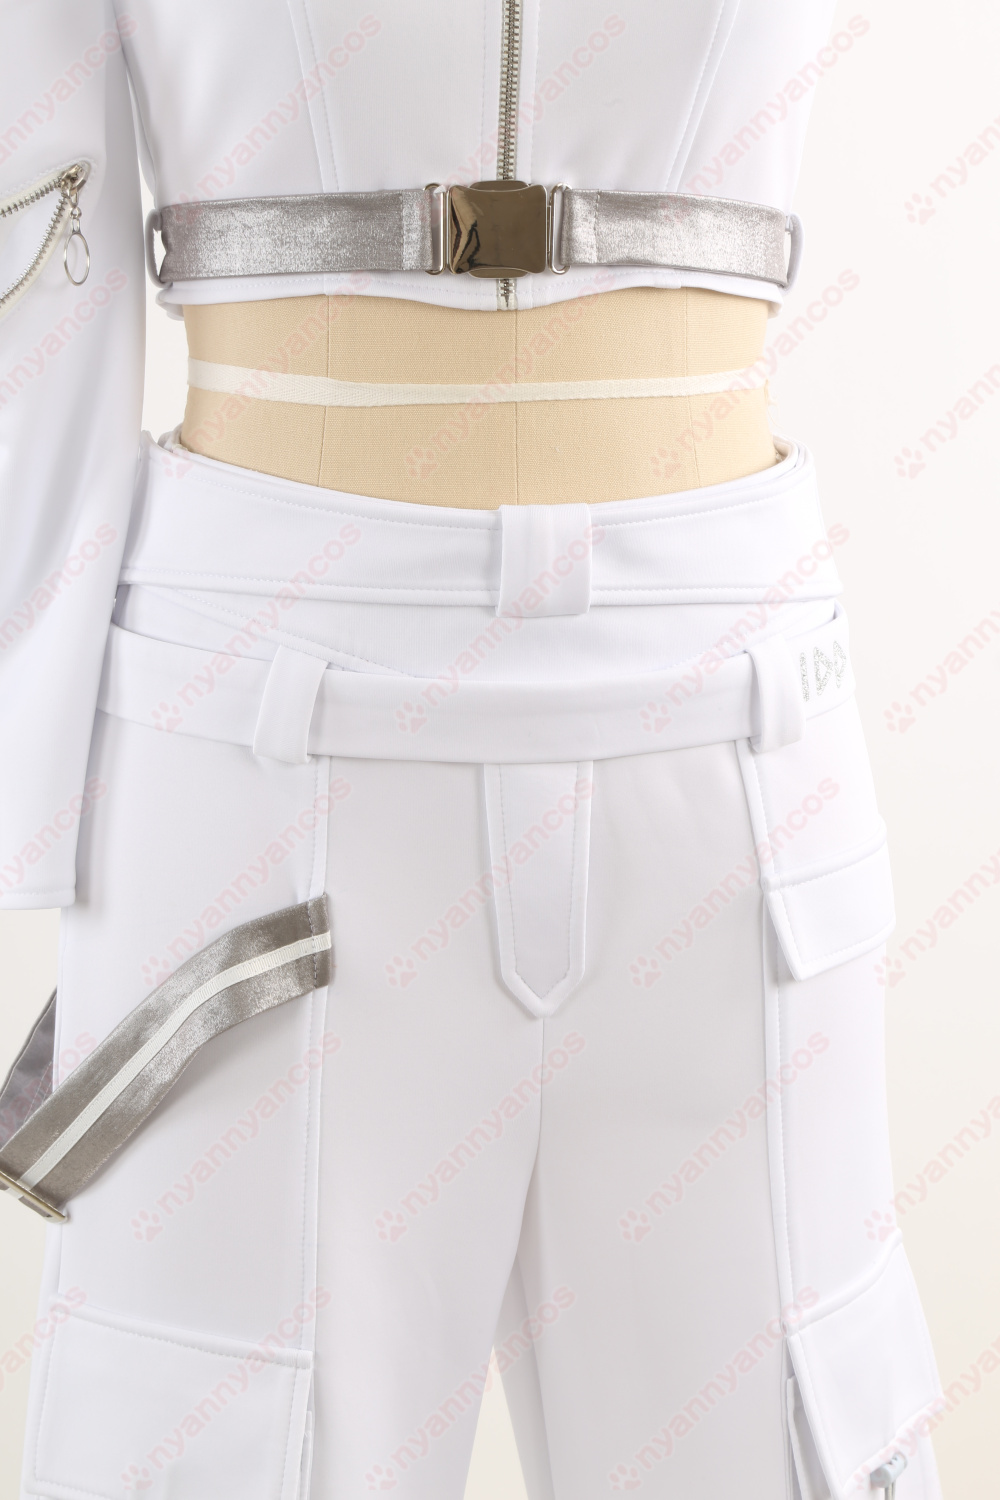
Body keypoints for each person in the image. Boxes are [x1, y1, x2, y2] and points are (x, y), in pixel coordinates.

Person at [0, 4, 942, 1498]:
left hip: (736, 751)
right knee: (213, 1447)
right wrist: (25, 791)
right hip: (254, 755)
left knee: (784, 1441)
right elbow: (23, 242)